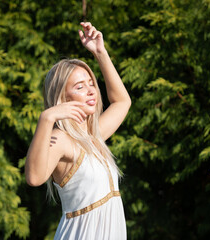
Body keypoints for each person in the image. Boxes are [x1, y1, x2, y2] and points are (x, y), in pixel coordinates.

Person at [25, 22, 131, 240]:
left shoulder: (94, 138)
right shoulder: (61, 139)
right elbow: (34, 177)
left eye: (91, 83)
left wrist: (100, 52)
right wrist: (47, 117)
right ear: (63, 98)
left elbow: (122, 101)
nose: (91, 90)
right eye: (79, 87)